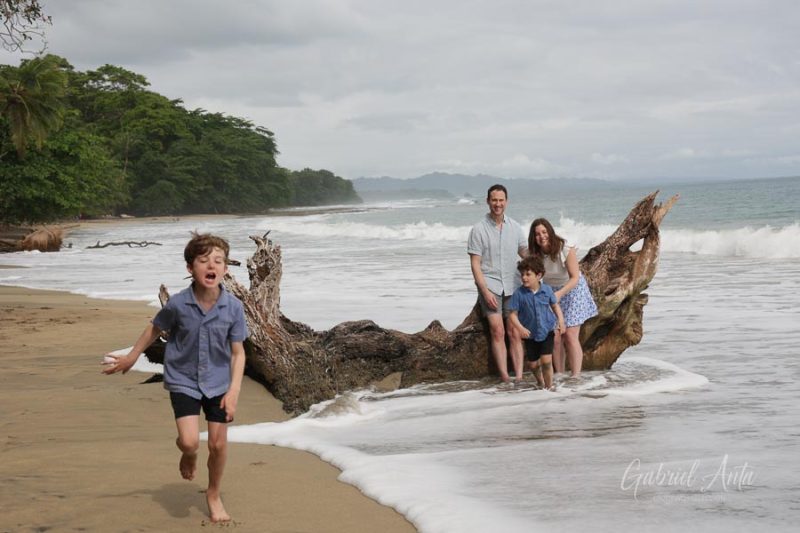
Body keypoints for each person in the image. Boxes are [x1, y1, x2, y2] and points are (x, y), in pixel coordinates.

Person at [103, 233, 248, 523]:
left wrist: (233, 393)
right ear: (190, 268)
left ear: (226, 269)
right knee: (190, 441)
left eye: (218, 261)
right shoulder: (179, 304)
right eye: (204, 260)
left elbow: (238, 354)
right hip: (183, 379)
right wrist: (132, 356)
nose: (212, 265)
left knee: (218, 445)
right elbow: (154, 329)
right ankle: (188, 454)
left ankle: (214, 493)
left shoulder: (234, 308)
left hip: (219, 382)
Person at [467, 184, 528, 383]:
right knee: (498, 331)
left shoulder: (515, 227)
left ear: (506, 202)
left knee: (514, 332)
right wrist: (485, 292)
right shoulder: (478, 229)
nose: (498, 204)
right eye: (494, 200)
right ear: (488, 201)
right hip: (491, 286)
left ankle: (518, 376)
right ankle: (504, 377)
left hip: (513, 286)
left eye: (501, 200)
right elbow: (475, 265)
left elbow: (526, 254)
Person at [528, 218, 597, 377]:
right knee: (556, 336)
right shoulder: (535, 253)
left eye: (544, 232)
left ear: (550, 232)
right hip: (551, 290)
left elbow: (574, 278)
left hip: (572, 289)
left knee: (570, 335)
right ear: (534, 238)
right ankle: (559, 375)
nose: (542, 236)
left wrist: (558, 294)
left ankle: (575, 376)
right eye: (537, 234)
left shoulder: (564, 247)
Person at [507, 255, 565, 391]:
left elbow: (555, 306)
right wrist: (520, 328)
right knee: (533, 365)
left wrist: (561, 321)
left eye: (528, 274)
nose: (524, 278)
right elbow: (512, 315)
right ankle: (540, 382)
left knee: (546, 361)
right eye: (522, 274)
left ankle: (549, 387)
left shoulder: (547, 290)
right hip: (530, 334)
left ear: (539, 275)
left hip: (547, 330)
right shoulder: (518, 294)